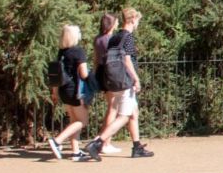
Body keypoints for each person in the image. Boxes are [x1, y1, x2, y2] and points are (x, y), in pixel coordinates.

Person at [84, 8, 154, 160]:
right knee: (123, 116)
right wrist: (136, 78)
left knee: (133, 112)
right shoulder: (127, 37)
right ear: (133, 19)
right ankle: (97, 143)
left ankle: (137, 147)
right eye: (138, 21)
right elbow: (127, 60)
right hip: (125, 80)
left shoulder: (115, 37)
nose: (138, 24)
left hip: (113, 79)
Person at [47, 25, 92, 161]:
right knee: (83, 121)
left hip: (63, 90)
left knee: (74, 121)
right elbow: (84, 74)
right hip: (75, 90)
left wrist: (54, 92)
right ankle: (57, 141)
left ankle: (75, 152)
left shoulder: (62, 52)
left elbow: (58, 73)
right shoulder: (78, 52)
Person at [93, 13, 126, 155]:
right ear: (112, 24)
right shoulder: (110, 39)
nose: (117, 24)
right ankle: (105, 142)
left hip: (101, 72)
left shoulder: (98, 39)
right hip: (110, 73)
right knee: (113, 109)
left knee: (111, 108)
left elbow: (96, 59)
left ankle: (101, 139)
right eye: (116, 22)